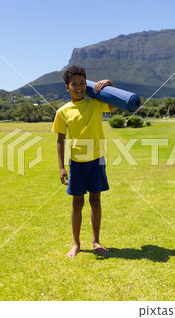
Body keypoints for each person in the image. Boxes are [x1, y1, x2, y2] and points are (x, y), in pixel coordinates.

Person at [52, 65, 115, 258]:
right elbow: (60, 140)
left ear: (86, 84)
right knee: (77, 203)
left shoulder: (95, 103)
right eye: (74, 84)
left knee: (95, 201)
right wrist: (62, 167)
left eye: (81, 83)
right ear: (67, 87)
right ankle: (76, 244)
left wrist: (109, 85)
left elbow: (114, 104)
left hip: (97, 160)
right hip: (77, 162)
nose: (78, 87)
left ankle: (95, 241)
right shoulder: (63, 111)